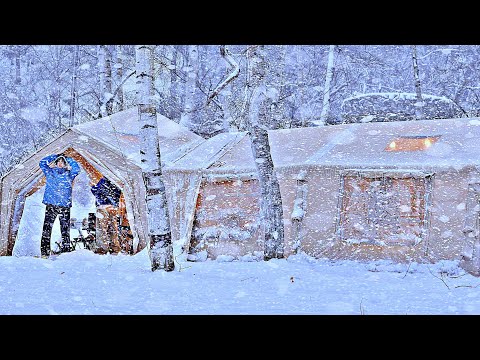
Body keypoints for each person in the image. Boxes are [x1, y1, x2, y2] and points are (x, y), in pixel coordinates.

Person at [39, 153, 81, 256]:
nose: (61, 164)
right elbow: (42, 163)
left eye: (63, 162)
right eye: (59, 162)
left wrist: (68, 158)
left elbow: (77, 168)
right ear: (56, 163)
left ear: (65, 164)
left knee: (65, 230)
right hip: (51, 204)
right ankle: (44, 252)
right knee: (47, 230)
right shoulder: (49, 172)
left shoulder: (69, 174)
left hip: (64, 205)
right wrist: (54, 156)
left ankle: (65, 253)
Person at [90, 176, 122, 254]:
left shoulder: (103, 180)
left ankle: (102, 248)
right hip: (113, 207)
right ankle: (115, 247)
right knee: (113, 228)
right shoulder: (116, 179)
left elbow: (96, 191)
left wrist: (93, 187)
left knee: (102, 228)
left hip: (102, 206)